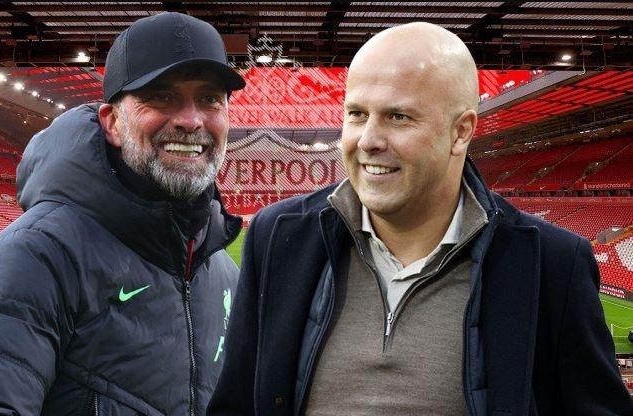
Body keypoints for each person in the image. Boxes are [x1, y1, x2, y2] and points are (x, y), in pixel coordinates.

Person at [208, 22, 632, 415]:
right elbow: (236, 404)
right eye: (357, 114)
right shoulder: (279, 237)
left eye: (398, 117)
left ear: (461, 131)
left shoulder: (552, 264)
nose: (368, 140)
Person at [0, 12, 245, 416]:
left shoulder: (222, 271)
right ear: (111, 123)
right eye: (161, 96)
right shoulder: (38, 256)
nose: (190, 120)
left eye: (209, 99)